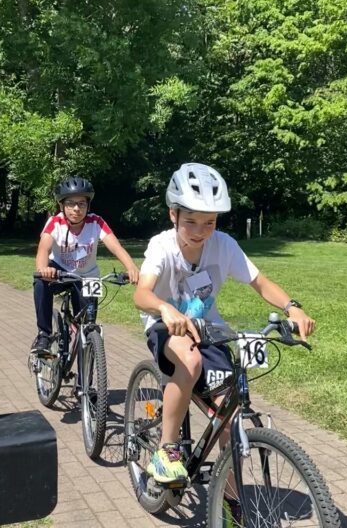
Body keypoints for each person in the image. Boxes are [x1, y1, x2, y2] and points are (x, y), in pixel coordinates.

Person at [132, 163, 316, 486]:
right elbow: (142, 293)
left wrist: (292, 308)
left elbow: (260, 282)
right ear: (172, 215)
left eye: (210, 222)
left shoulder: (224, 245)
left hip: (208, 331)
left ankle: (230, 509)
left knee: (230, 419)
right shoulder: (161, 247)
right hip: (165, 326)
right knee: (189, 361)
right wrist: (164, 309)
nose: (201, 231)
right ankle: (166, 450)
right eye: (190, 221)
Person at [30, 176, 140, 356]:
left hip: (88, 277)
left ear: (88, 206)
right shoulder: (55, 222)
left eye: (81, 204)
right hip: (60, 272)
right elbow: (43, 248)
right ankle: (44, 334)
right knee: (41, 283)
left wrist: (132, 267)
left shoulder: (96, 222)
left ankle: (84, 383)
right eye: (71, 203)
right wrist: (44, 268)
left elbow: (115, 247)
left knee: (88, 329)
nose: (76, 209)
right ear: (62, 206)